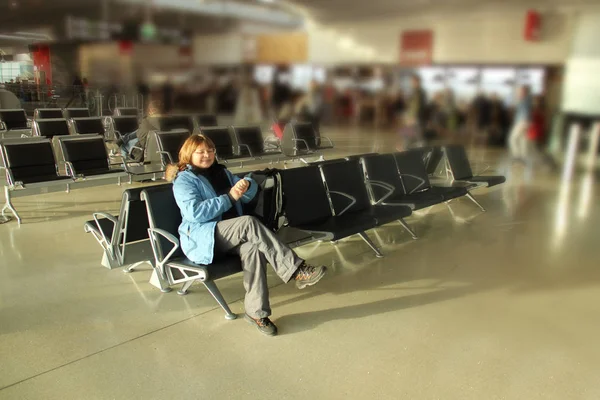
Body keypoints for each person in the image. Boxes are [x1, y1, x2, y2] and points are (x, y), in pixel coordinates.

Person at [166, 135, 327, 336]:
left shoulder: (221, 171)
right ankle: (295, 270)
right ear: (189, 154)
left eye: (210, 150)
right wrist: (230, 197)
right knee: (248, 223)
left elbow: (247, 194)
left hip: (229, 236)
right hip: (203, 237)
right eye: (201, 152)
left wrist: (247, 185)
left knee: (253, 249)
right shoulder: (184, 180)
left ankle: (256, 313)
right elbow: (195, 213)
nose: (207, 155)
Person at [508, 85, 532, 161]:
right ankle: (523, 156)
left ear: (524, 92)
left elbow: (524, 113)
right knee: (523, 139)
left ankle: (517, 155)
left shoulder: (524, 100)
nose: (518, 93)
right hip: (524, 122)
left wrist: (524, 123)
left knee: (512, 139)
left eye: (519, 91)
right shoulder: (527, 100)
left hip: (522, 122)